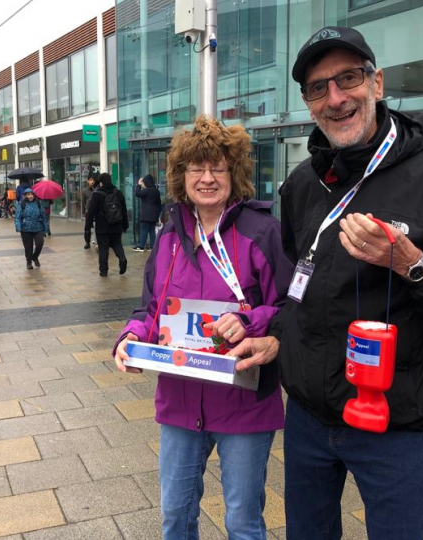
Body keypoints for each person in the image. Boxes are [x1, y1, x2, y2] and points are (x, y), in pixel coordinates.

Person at [226, 27, 423, 540]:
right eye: (318, 88)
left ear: (378, 82)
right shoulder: (303, 184)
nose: (336, 98)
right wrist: (279, 335)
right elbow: (299, 287)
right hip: (308, 418)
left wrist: (415, 265)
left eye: (348, 79)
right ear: (307, 102)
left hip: (392, 422)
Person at [113, 116, 293, 540]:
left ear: (235, 174)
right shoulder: (169, 236)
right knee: (176, 518)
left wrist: (251, 321)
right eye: (197, 168)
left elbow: (289, 308)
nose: (207, 178)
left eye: (218, 168)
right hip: (179, 401)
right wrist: (132, 336)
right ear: (182, 175)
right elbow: (151, 309)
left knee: (242, 523)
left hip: (244, 402)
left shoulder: (263, 232)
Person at [85, 173, 129, 277]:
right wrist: (125, 225)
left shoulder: (97, 194)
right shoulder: (118, 193)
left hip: (102, 228)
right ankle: (122, 260)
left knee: (103, 249)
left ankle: (103, 271)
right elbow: (124, 210)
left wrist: (88, 226)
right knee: (117, 244)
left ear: (100, 182)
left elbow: (91, 212)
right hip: (116, 225)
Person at [15, 187, 48, 270]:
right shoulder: (21, 203)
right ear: (25, 195)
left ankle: (35, 256)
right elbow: (18, 217)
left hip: (38, 227)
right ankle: (29, 262)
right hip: (26, 228)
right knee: (28, 247)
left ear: (34, 195)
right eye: (28, 194)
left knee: (40, 243)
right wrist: (18, 226)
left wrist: (46, 228)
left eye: (31, 194)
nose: (30, 196)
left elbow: (43, 216)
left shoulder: (38, 203)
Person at [133, 174, 162, 252]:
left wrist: (138, 185)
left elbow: (137, 193)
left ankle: (141, 246)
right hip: (154, 215)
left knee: (144, 230)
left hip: (146, 214)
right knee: (152, 230)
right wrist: (158, 213)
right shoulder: (156, 191)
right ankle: (152, 246)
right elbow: (159, 204)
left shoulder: (146, 191)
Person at [82, 175, 96, 249]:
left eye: (93, 180)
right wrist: (83, 211)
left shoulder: (97, 189)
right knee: (87, 228)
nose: (92, 181)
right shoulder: (85, 190)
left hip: (96, 211)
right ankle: (87, 242)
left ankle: (98, 241)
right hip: (88, 211)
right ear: (88, 181)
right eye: (90, 180)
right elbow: (83, 201)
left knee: (98, 227)